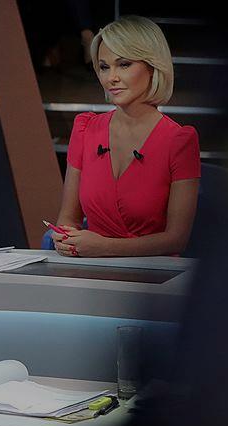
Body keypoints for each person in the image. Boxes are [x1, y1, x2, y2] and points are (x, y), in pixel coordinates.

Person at [52, 16, 200, 257]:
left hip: (153, 273)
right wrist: (64, 237)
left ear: (152, 67)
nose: (111, 78)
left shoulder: (179, 141)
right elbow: (68, 218)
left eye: (124, 64)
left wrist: (104, 248)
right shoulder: (85, 129)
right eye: (104, 67)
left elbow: (176, 240)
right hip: (90, 267)